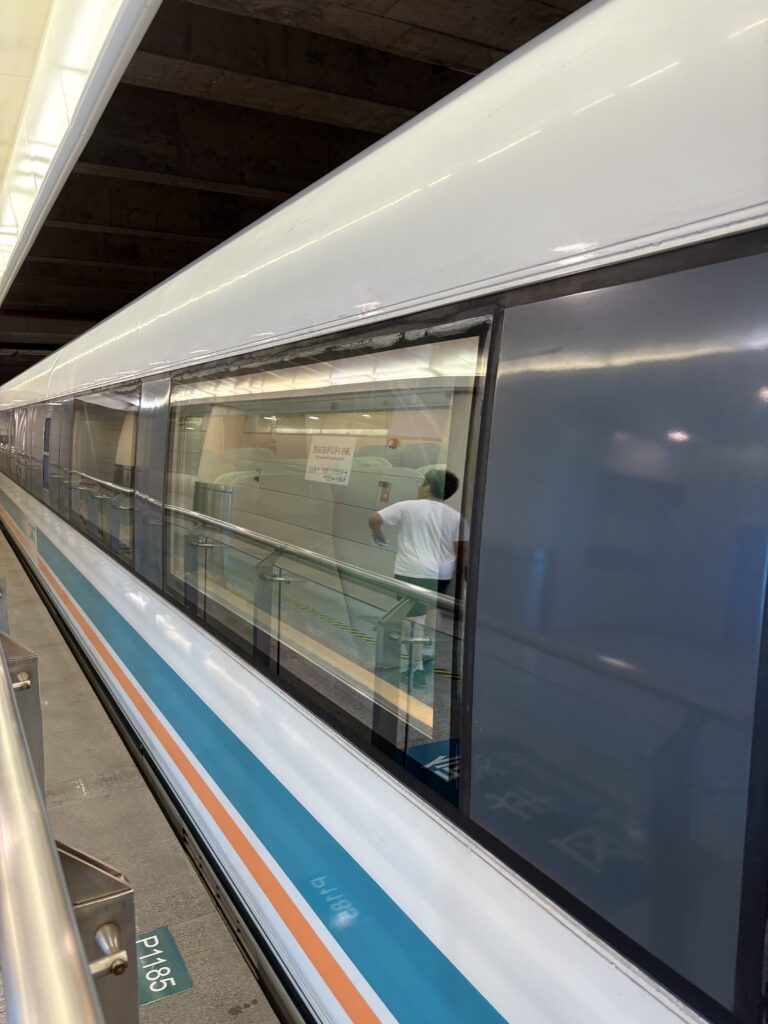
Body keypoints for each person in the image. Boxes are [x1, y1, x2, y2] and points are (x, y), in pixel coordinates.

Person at [368, 469, 466, 684]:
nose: (419, 486)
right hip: (442, 573)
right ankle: (427, 650)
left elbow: (374, 518)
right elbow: (461, 548)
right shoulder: (454, 516)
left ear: (428, 487)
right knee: (431, 611)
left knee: (413, 619)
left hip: (412, 571)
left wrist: (378, 534)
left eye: (422, 482)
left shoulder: (408, 506)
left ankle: (416, 668)